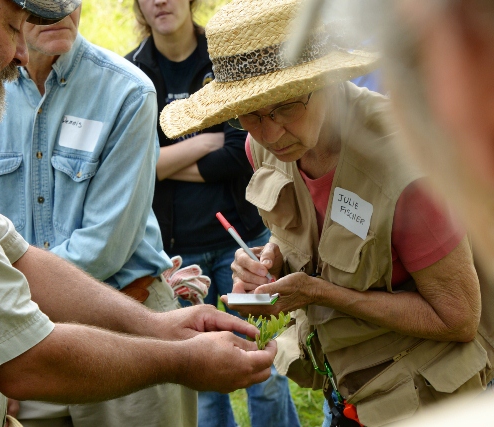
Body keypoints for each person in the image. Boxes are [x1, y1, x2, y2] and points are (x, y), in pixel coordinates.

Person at [0, 0, 278, 425]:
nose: (19, 52)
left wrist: (162, 329)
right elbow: (22, 358)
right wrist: (182, 359)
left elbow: (15, 253)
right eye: (11, 26)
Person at [158, 0, 494, 426]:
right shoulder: (260, 144)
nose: (270, 133)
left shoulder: (405, 164)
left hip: (432, 402)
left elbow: (460, 317)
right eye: (250, 113)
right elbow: (307, 222)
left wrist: (321, 293)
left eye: (284, 106)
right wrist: (270, 257)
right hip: (348, 393)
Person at [0, 4, 203, 426]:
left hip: (129, 337)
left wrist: (6, 301)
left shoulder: (127, 91)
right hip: (22, 347)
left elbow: (106, 246)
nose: (59, 11)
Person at [125, 1, 300, 426]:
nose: (160, 2)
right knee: (202, 381)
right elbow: (133, 166)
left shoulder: (223, 55)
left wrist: (164, 161)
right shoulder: (131, 72)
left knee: (265, 367)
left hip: (241, 241)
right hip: (178, 252)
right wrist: (203, 143)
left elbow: (240, 154)